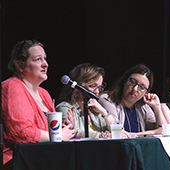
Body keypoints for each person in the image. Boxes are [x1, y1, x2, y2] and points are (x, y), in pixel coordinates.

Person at [2, 40, 76, 168]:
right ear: (20, 66)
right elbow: (21, 132)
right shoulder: (12, 86)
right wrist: (57, 136)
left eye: (45, 59)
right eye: (37, 59)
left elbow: (49, 132)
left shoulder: (43, 93)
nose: (45, 64)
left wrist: (65, 127)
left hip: (44, 159)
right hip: (19, 162)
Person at [56, 63, 122, 138]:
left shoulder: (94, 109)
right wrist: (102, 135)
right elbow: (74, 132)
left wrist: (104, 112)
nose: (97, 92)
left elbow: (118, 130)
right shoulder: (64, 107)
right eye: (92, 86)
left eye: (99, 87)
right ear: (78, 85)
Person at [99, 64, 166, 137]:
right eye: (133, 82)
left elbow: (164, 132)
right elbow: (117, 133)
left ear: (146, 92)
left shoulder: (143, 107)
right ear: (125, 81)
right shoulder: (107, 99)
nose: (135, 89)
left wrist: (157, 107)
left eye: (142, 87)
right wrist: (148, 133)